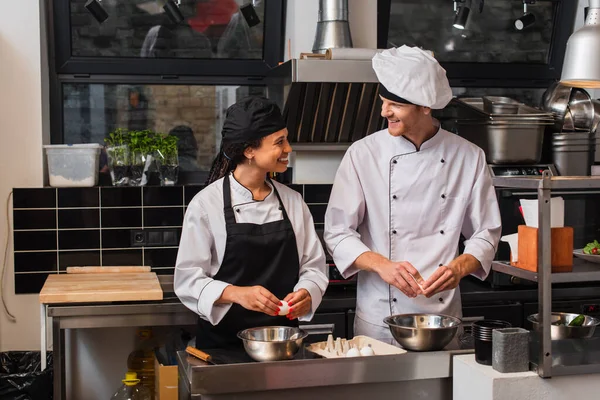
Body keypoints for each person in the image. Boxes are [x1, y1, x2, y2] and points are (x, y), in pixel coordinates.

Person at [324, 46, 501, 341]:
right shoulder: (363, 154)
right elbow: (338, 232)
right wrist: (383, 266)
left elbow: (485, 233)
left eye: (394, 104)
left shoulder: (468, 157)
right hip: (379, 317)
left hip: (442, 318)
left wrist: (458, 267)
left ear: (425, 106)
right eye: (383, 102)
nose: (384, 112)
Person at [175, 96, 329, 349]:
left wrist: (307, 291)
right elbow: (188, 280)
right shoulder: (206, 204)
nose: (288, 149)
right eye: (279, 142)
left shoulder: (293, 201)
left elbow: (313, 265)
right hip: (222, 346)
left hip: (282, 343)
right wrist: (237, 293)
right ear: (249, 150)